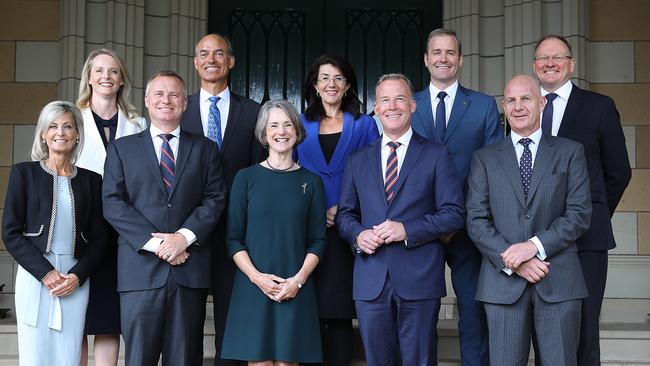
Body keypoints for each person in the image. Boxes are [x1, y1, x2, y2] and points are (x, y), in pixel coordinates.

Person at [337, 74, 466, 365]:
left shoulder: (436, 154)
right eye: (385, 100)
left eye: (399, 99)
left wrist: (406, 230)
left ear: (413, 105)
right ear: (376, 107)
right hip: (371, 280)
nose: (392, 106)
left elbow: (454, 214)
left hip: (419, 278)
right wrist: (357, 235)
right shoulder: (358, 159)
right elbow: (345, 214)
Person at [466, 74, 592, 365]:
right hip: (502, 283)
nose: (518, 106)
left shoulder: (570, 152)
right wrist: (515, 260)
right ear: (503, 105)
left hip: (559, 279)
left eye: (526, 99)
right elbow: (476, 220)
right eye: (511, 100)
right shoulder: (484, 158)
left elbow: (579, 213)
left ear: (542, 103)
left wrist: (532, 246)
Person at [102, 70, 226, 365]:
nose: (166, 100)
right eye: (158, 93)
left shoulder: (206, 149)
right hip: (139, 273)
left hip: (188, 271)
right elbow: (113, 202)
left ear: (185, 103)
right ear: (146, 100)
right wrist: (158, 244)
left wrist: (183, 238)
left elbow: (215, 198)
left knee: (184, 358)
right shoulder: (122, 149)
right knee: (139, 358)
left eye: (174, 95)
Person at [531, 35, 631, 366]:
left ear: (571, 64)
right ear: (534, 66)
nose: (549, 63)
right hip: (535, 237)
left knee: (585, 329)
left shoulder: (599, 106)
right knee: (544, 328)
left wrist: (589, 212)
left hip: (587, 238)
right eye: (543, 58)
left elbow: (618, 171)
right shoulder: (523, 107)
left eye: (557, 57)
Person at [410, 28, 502, 366]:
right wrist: (433, 222)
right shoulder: (408, 105)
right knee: (420, 314)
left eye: (450, 52)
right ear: (426, 59)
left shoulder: (482, 105)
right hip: (419, 229)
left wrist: (459, 215)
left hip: (469, 227)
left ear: (460, 60)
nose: (443, 58)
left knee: (473, 309)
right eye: (437, 52)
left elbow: (494, 166)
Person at [180, 33, 267, 366]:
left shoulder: (254, 112)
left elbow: (262, 171)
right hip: (188, 234)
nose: (211, 59)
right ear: (196, 62)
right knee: (186, 322)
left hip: (238, 233)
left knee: (232, 318)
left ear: (231, 61)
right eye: (204, 53)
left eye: (219, 53)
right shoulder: (179, 109)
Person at [221, 99, 326, 365]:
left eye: (288, 124)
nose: (281, 131)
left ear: (297, 131)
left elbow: (317, 240)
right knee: (259, 362)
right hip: (253, 287)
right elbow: (233, 239)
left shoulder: (311, 182)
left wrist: (297, 281)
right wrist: (257, 278)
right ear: (264, 133)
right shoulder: (245, 179)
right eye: (274, 125)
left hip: (295, 287)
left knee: (288, 361)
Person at [2, 101, 108, 365]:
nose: (60, 132)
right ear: (43, 134)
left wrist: (77, 276)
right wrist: (46, 273)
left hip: (74, 278)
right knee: (34, 355)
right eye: (53, 126)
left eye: (67, 126)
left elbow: (100, 238)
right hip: (35, 276)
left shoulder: (92, 180)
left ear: (77, 135)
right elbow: (10, 232)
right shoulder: (24, 173)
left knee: (69, 355)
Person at [295, 54, 379, 365]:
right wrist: (318, 209)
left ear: (347, 85)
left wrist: (343, 208)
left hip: (350, 228)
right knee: (312, 309)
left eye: (338, 78)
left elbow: (374, 173)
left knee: (342, 311)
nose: (331, 84)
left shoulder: (365, 124)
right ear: (315, 85)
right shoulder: (300, 125)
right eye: (325, 78)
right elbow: (291, 172)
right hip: (309, 228)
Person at [75, 48, 147, 366]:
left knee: (108, 319)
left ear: (121, 81)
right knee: (76, 319)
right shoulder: (70, 118)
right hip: (79, 228)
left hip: (122, 232)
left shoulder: (139, 123)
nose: (106, 76)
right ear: (89, 78)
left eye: (114, 71)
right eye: (100, 70)